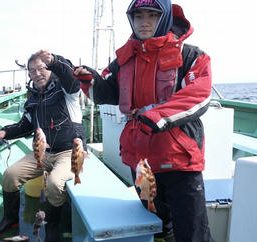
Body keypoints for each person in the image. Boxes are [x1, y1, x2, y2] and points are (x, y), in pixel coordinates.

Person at [73, 0, 213, 241]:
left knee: (192, 233)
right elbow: (107, 93)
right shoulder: (124, 59)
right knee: (155, 224)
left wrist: (156, 117)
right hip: (139, 160)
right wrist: (89, 80)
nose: (144, 22)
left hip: (180, 162)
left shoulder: (191, 55)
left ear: (165, 17)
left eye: (152, 15)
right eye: (138, 16)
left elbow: (199, 94)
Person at [0, 49, 86, 242]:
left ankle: (53, 226)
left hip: (69, 152)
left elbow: (72, 78)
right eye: (32, 71)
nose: (37, 74)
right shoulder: (33, 98)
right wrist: (6, 131)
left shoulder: (67, 90)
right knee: (10, 175)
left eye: (41, 68)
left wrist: (55, 61)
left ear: (50, 69)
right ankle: (10, 218)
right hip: (43, 153)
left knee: (54, 183)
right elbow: (25, 125)